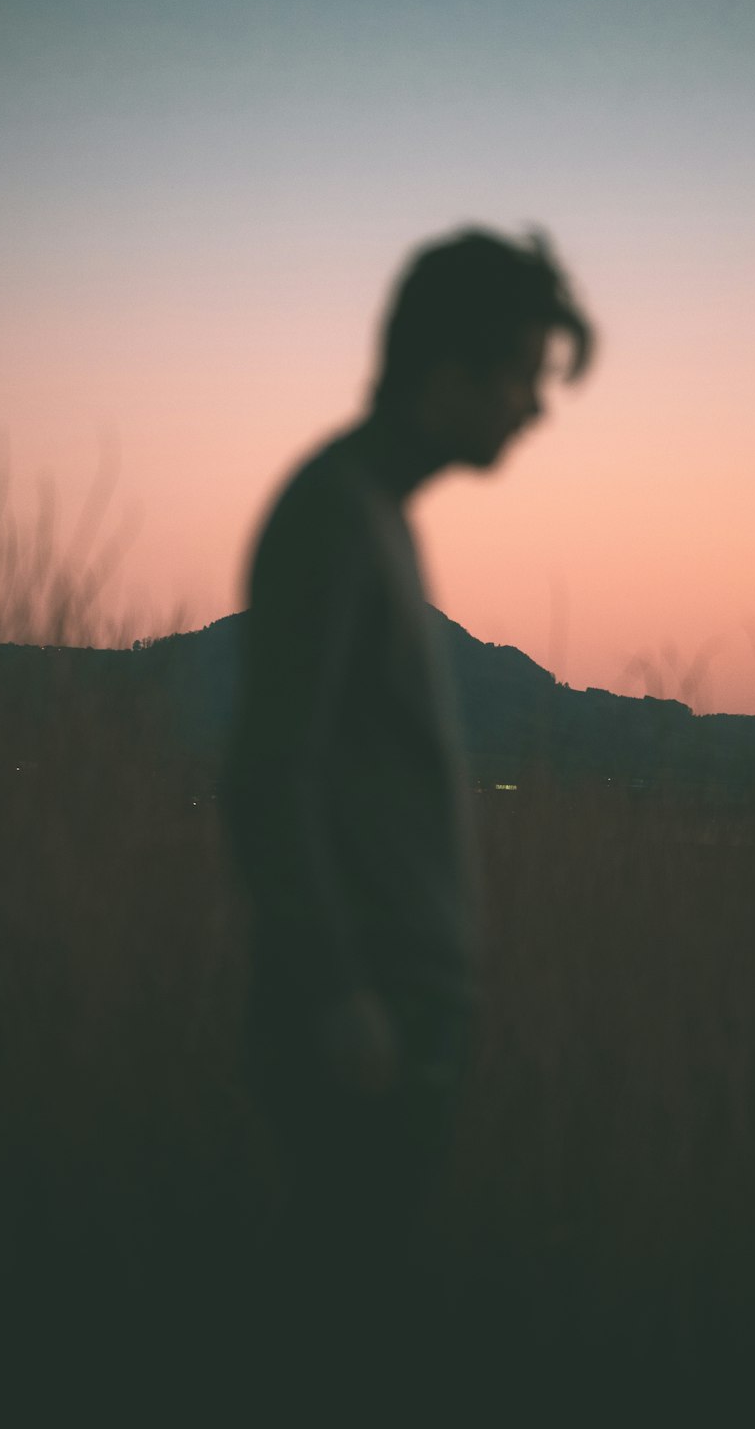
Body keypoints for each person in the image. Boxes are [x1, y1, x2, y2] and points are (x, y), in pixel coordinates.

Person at [220, 225, 594, 1404]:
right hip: (365, 1017)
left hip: (394, 1009)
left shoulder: (373, 515)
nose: (534, 411)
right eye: (522, 378)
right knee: (326, 1346)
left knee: (339, 1324)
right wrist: (341, 995)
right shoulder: (334, 515)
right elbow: (266, 773)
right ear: (447, 372)